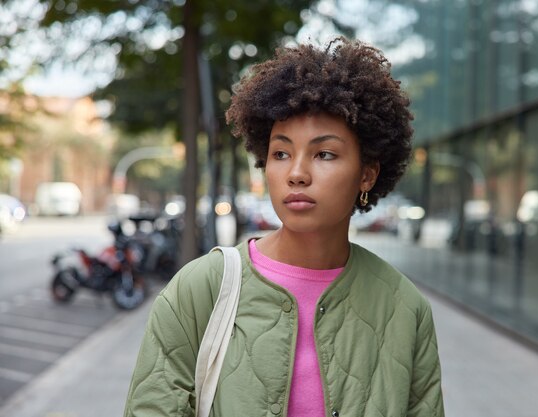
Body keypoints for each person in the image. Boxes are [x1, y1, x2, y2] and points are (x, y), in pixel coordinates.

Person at [124, 37, 444, 417]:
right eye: (281, 153)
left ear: (367, 174)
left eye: (324, 153)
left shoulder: (405, 309)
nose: (296, 173)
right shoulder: (199, 290)